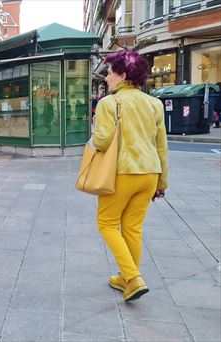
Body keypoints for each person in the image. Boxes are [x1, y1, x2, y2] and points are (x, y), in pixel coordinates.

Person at [91, 50, 168, 302]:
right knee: (133, 228)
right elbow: (161, 146)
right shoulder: (154, 103)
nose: (107, 78)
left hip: (123, 172)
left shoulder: (109, 103)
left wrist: (94, 139)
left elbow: (102, 141)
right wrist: (162, 182)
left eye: (111, 73)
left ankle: (134, 278)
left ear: (123, 75)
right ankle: (126, 278)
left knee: (107, 223)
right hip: (149, 174)